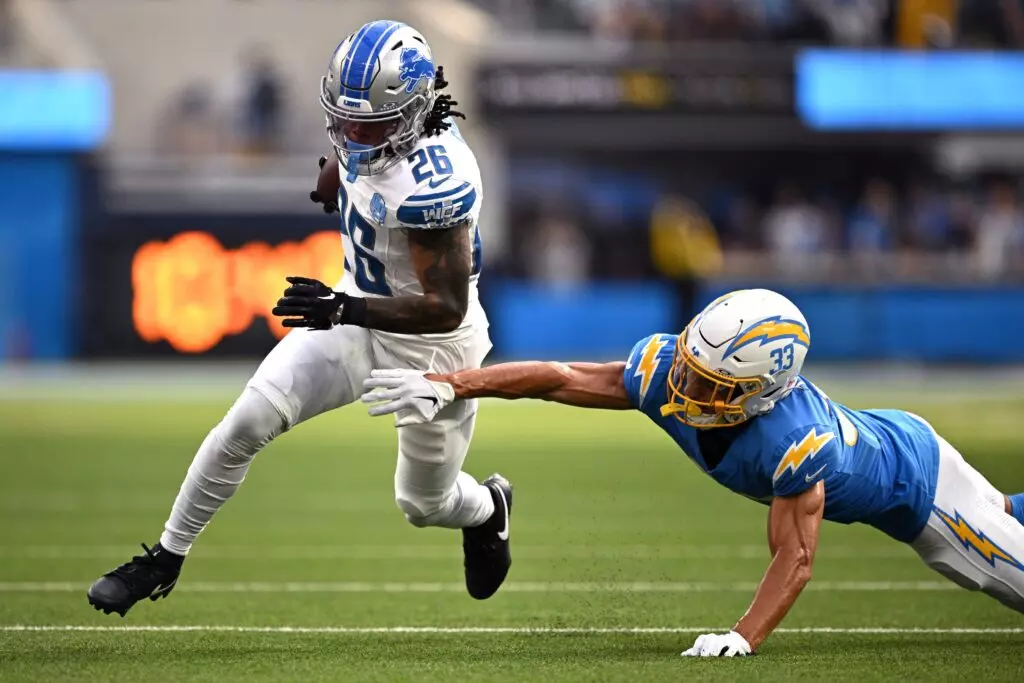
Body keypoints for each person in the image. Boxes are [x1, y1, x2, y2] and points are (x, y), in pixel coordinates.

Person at [87, 20, 511, 617]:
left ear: (413, 114)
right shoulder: (365, 128)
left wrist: (343, 307)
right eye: (345, 119)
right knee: (247, 421)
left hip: (431, 348)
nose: (351, 132)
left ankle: (490, 508)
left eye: (367, 124)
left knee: (424, 503)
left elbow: (445, 308)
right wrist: (335, 178)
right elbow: (354, 153)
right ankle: (164, 557)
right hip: (357, 313)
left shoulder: (436, 184)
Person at [362, 288, 1024, 656]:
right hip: (902, 435)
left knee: (993, 561)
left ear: (762, 391)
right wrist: (453, 383)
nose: (683, 387)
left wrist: (742, 635)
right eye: (688, 368)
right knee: (1000, 505)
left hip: (922, 497)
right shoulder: (664, 370)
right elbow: (559, 377)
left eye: (709, 384)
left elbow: (794, 555)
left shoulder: (795, 439)